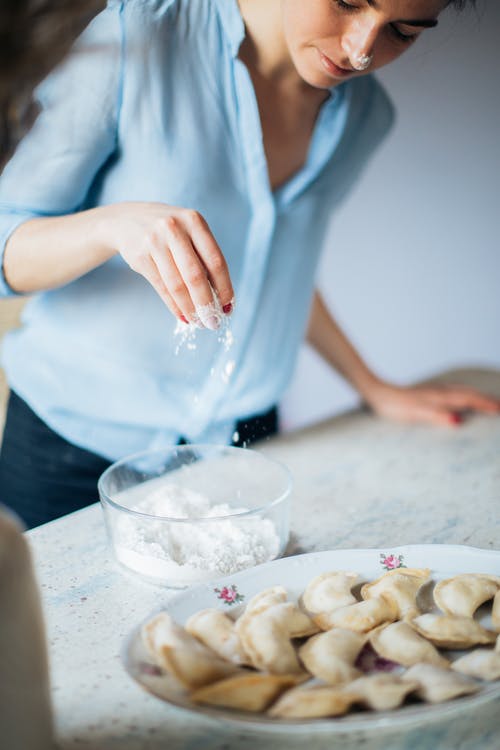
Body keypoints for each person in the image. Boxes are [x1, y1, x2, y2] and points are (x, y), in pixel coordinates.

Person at [0, 0, 498, 530]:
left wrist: (371, 385)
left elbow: (282, 275)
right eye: (348, 2)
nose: (360, 51)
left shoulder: (365, 118)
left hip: (246, 442)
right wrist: (110, 226)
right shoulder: (134, 40)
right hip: (71, 449)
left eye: (402, 32)